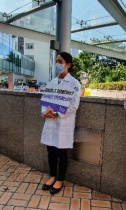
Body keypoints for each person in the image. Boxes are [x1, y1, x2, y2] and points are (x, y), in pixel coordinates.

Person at [41, 52, 81, 195]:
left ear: (68, 65)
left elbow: (74, 105)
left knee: (61, 152)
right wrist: (45, 112)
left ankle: (60, 179)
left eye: (60, 61)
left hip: (63, 122)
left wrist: (57, 113)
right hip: (50, 122)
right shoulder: (51, 82)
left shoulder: (74, 83)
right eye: (56, 61)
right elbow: (45, 101)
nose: (57, 64)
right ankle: (52, 176)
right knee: (50, 151)